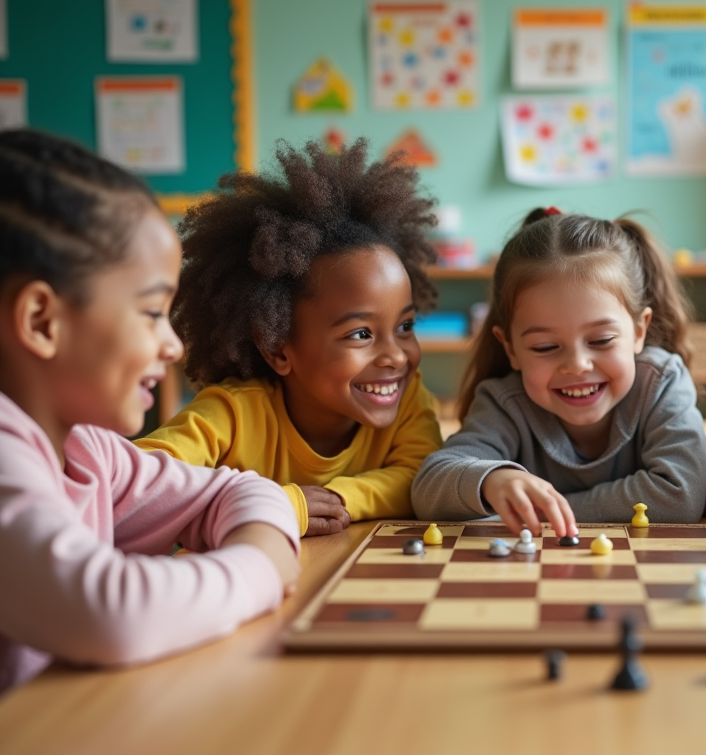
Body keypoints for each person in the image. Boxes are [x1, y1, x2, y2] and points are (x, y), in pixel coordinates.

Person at [0, 130, 300, 693]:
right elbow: (108, 615)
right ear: (42, 321)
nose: (174, 345)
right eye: (151, 313)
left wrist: (258, 537)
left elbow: (235, 489)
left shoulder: (87, 448)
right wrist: (259, 567)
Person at [136, 139, 443, 536]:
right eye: (362, 334)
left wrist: (336, 499)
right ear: (277, 348)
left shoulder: (406, 397)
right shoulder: (233, 414)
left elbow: (422, 476)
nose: (397, 357)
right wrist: (275, 505)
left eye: (405, 327)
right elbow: (136, 480)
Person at [412, 208, 706, 535]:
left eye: (601, 340)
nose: (577, 364)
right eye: (545, 347)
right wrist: (492, 480)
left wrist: (548, 509)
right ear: (510, 348)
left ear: (639, 331)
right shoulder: (505, 403)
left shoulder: (662, 381)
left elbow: (681, 495)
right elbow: (428, 487)